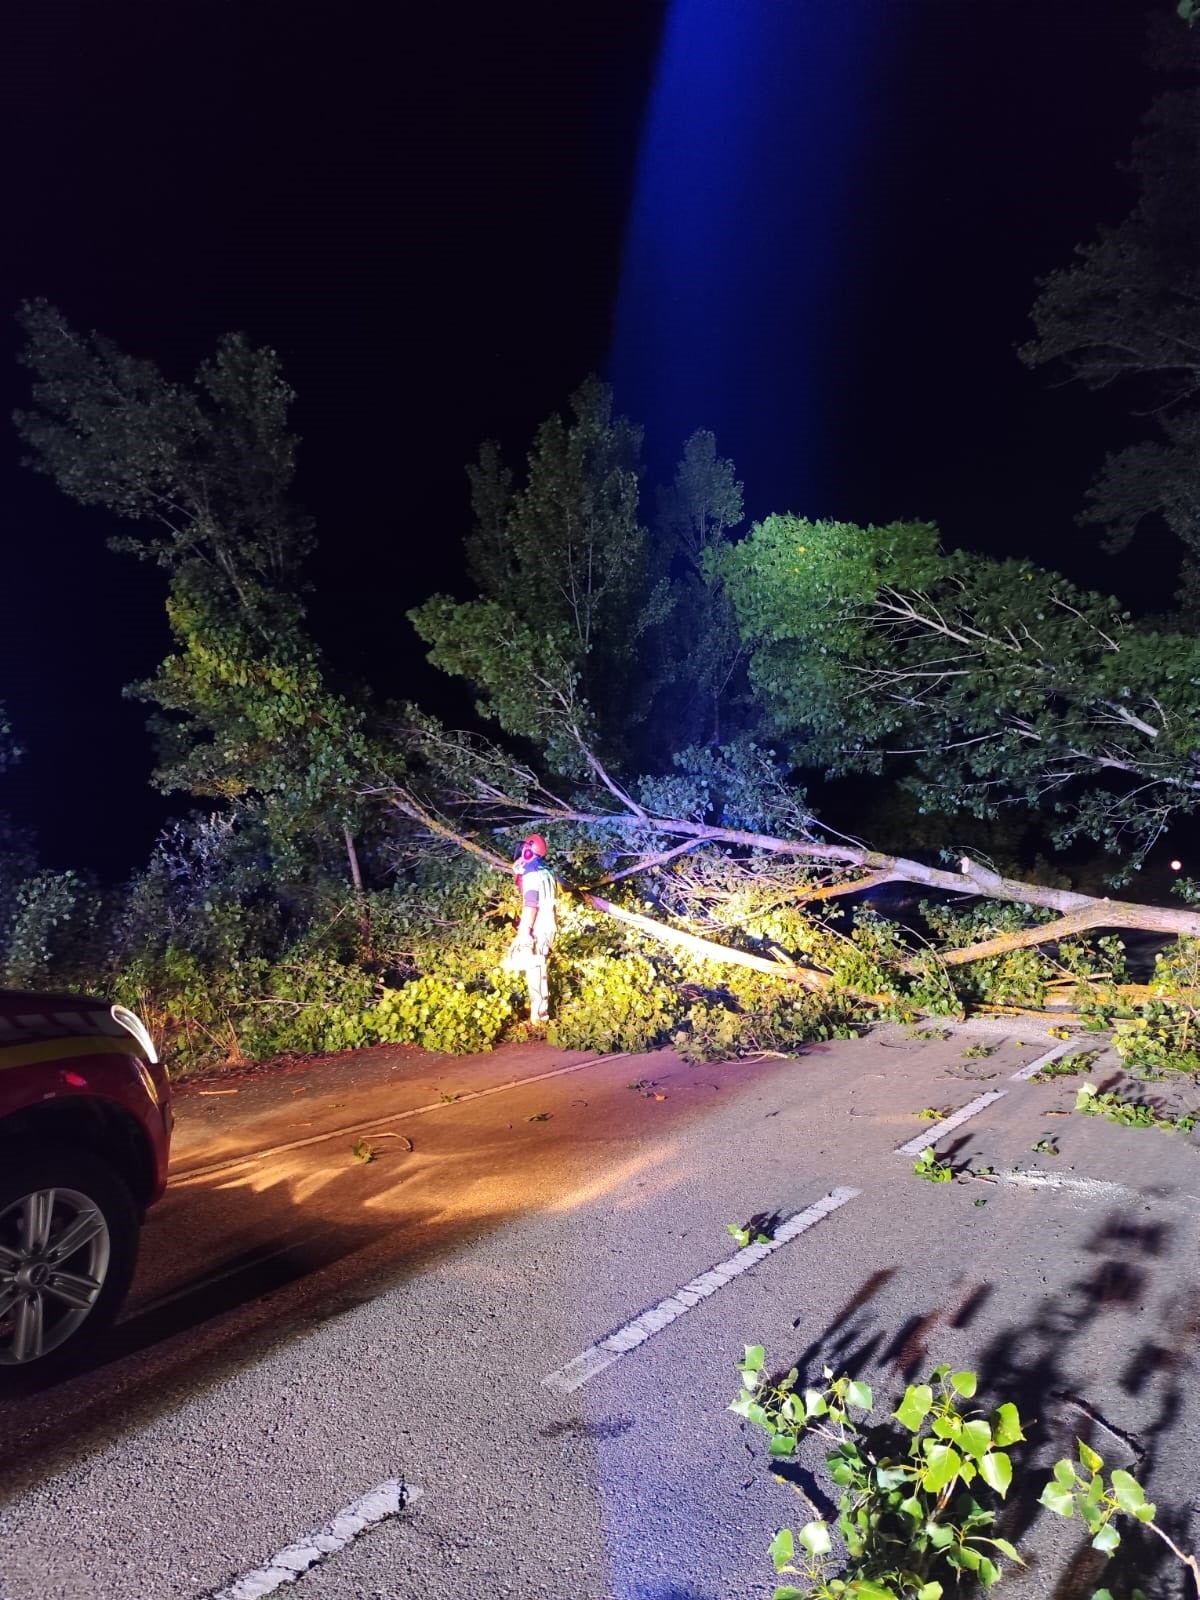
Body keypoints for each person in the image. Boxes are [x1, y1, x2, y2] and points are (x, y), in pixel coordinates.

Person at [506, 834, 558, 1024]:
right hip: (548, 923)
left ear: (528, 850)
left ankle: (540, 1019)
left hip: (538, 926)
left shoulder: (532, 872)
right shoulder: (544, 870)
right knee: (537, 966)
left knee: (535, 969)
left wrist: (523, 932)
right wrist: (518, 871)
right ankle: (540, 1017)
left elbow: (530, 904)